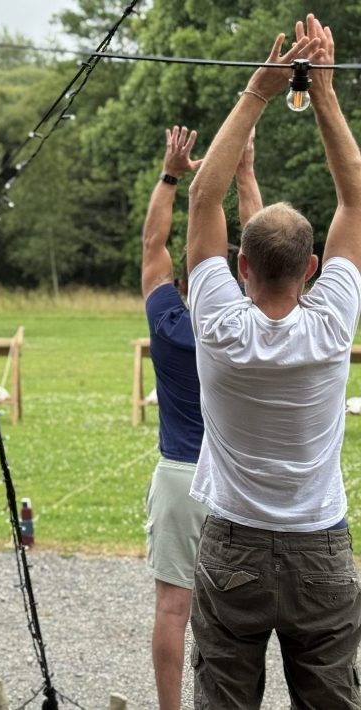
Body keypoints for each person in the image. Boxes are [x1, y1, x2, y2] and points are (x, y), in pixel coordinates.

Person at [185, 16, 361, 707]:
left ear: (240, 268)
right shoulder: (331, 323)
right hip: (320, 547)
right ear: (312, 268)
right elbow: (355, 195)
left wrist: (256, 93)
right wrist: (323, 92)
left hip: (233, 545)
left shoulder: (222, 326)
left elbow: (203, 198)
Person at [140, 125, 261, 709]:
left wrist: (170, 174)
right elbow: (259, 251)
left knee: (172, 607)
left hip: (179, 479)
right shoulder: (243, 327)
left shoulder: (167, 323)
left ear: (187, 284)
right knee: (239, 614)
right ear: (233, 278)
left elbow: (152, 247)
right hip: (237, 482)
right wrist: (243, 173)